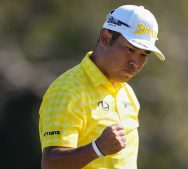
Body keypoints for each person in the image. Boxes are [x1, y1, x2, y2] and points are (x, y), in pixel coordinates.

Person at [39, 4, 165, 169]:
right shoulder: (67, 90)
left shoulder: (127, 93)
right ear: (106, 38)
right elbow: (50, 164)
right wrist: (97, 149)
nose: (135, 63)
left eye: (143, 55)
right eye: (130, 49)